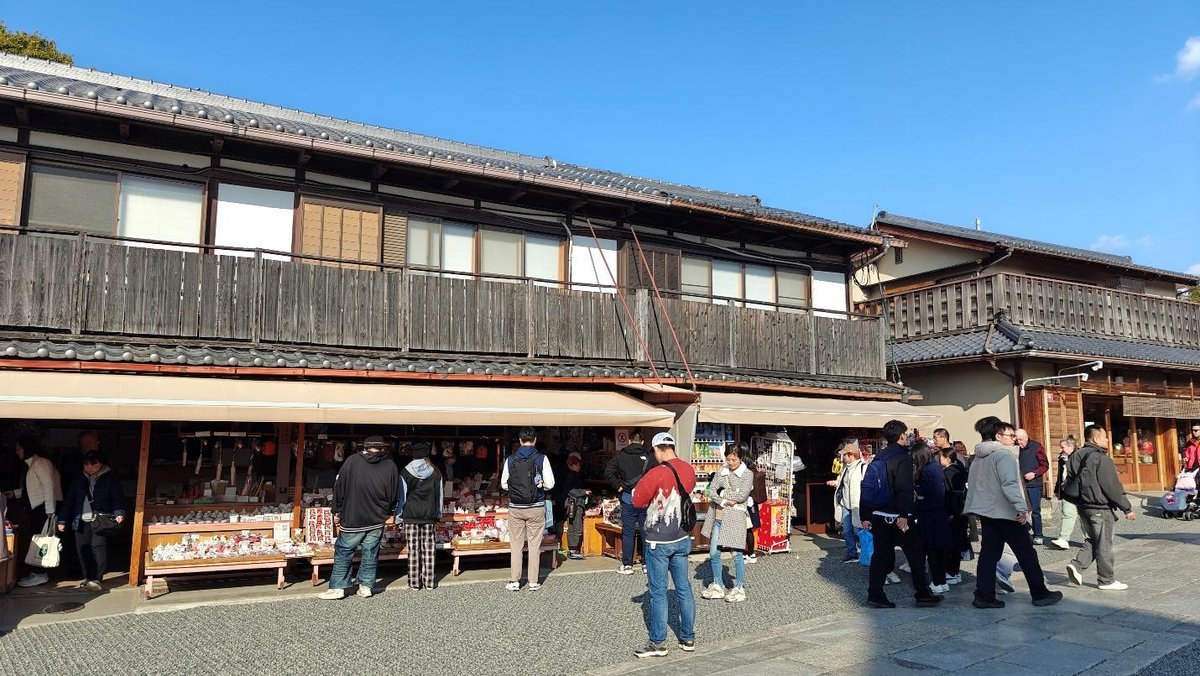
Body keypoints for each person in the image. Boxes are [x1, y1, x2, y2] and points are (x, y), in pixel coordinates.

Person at [964, 418, 1062, 609]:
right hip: (1007, 512)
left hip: (987, 512)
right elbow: (1009, 484)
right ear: (997, 435)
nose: (1013, 440)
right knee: (1026, 552)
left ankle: (984, 595)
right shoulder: (1003, 455)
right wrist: (1021, 508)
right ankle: (1040, 593)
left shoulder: (978, 456)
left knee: (989, 554)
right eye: (1009, 435)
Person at [861, 420, 940, 609]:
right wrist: (905, 513)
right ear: (902, 435)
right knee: (915, 552)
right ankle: (922, 592)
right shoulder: (902, 458)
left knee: (880, 555)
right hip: (898, 516)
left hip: (878, 515)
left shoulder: (879, 458)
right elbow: (904, 487)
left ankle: (875, 594)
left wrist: (865, 514)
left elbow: (867, 487)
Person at [631, 432, 697, 658]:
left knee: (658, 592)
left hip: (658, 539)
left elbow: (637, 500)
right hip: (681, 536)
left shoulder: (656, 473)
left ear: (657, 449)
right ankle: (688, 637)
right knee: (684, 588)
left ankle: (658, 642)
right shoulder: (689, 469)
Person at [319, 436, 399, 600]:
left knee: (344, 551)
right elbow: (394, 494)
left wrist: (337, 511)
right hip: (377, 518)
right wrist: (387, 511)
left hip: (353, 516)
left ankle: (338, 588)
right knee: (370, 553)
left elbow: (339, 487)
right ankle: (366, 587)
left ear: (365, 447)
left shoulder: (353, 461)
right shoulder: (390, 465)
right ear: (383, 448)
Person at [1065, 425, 1136, 591]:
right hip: (1100, 507)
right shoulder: (1101, 459)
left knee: (1093, 539)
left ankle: (1077, 565)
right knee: (1104, 543)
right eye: (1105, 437)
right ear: (1096, 439)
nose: (1107, 440)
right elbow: (1111, 486)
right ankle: (1106, 580)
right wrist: (1127, 508)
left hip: (1082, 506)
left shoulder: (1076, 456)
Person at [56, 450, 125, 591]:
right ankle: (88, 577)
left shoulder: (110, 477)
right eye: (87, 464)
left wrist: (119, 512)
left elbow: (116, 496)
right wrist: (62, 520)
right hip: (80, 518)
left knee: (98, 547)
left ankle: (97, 579)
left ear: (102, 463)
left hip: (100, 517)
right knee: (83, 548)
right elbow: (70, 500)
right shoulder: (78, 478)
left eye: (94, 464)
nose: (90, 467)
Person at [502, 427, 555, 591]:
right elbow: (551, 483)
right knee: (534, 544)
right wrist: (539, 487)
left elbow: (504, 484)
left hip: (516, 508)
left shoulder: (511, 459)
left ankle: (515, 581)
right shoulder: (541, 458)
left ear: (519, 440)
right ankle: (533, 581)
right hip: (536, 507)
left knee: (516, 545)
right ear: (535, 439)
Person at [700, 442, 754, 603]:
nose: (730, 463)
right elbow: (711, 490)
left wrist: (722, 492)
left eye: (733, 460)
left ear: (740, 458)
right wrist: (725, 499)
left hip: (735, 517)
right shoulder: (721, 471)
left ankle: (739, 586)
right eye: (728, 459)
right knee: (714, 553)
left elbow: (742, 495)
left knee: (736, 553)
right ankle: (718, 584)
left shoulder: (747, 474)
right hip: (718, 515)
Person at [604, 431, 655, 575]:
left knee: (628, 532)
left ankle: (627, 564)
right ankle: (646, 563)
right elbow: (656, 475)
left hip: (627, 497)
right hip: (645, 498)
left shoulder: (620, 456)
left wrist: (618, 486)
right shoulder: (649, 457)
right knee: (646, 531)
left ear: (628, 441)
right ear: (643, 442)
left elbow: (608, 471)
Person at [395, 442, 442, 591]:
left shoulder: (405, 472)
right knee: (429, 549)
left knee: (413, 550)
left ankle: (414, 583)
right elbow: (439, 496)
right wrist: (438, 514)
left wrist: (398, 517)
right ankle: (429, 582)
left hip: (410, 515)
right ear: (427, 454)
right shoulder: (436, 472)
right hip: (429, 516)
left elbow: (401, 497)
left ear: (412, 454)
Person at [16, 434, 61, 588]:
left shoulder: (40, 463)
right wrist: (14, 493)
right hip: (39, 508)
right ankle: (36, 573)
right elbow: (31, 488)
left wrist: (50, 512)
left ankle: (40, 574)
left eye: (19, 448)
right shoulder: (33, 464)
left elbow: (49, 487)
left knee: (41, 542)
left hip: (43, 509)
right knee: (37, 540)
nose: (17, 452)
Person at [913, 442, 953, 594]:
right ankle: (941, 581)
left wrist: (917, 491)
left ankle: (937, 582)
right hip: (939, 515)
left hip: (930, 515)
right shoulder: (936, 467)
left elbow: (929, 492)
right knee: (940, 551)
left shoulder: (927, 470)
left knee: (933, 551)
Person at [826, 444, 867, 563]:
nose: (843, 457)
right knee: (847, 530)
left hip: (857, 504)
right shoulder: (846, 468)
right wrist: (836, 482)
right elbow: (843, 482)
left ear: (852, 455)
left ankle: (865, 552)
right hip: (846, 503)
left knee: (858, 530)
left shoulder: (862, 468)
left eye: (845, 455)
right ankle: (852, 553)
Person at [1015, 429, 1050, 544]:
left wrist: (1034, 473)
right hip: (1019, 484)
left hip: (1034, 484)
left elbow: (1045, 465)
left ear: (1026, 437)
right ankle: (1024, 532)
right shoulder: (1015, 449)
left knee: (1035, 511)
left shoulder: (1036, 447)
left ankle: (1038, 535)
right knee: (1019, 511)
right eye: (1016, 439)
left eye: (1020, 439)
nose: (1018, 442)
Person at [939, 447, 968, 584]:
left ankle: (950, 572)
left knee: (949, 544)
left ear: (947, 458)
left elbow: (946, 492)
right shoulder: (961, 470)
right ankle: (955, 572)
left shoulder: (947, 473)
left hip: (951, 510)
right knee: (958, 541)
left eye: (941, 457)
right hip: (962, 510)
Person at [1050, 437, 1079, 550]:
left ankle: (1090, 539)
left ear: (1071, 447)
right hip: (1067, 490)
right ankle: (1063, 538)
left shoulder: (1079, 456)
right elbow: (1060, 475)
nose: (1061, 449)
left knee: (1083, 517)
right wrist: (1057, 489)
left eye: (1063, 447)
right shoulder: (1062, 458)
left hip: (1079, 490)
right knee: (1067, 514)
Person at [561, 452, 589, 560]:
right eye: (577, 464)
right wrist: (583, 492)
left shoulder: (568, 475)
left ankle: (572, 549)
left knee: (572, 526)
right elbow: (571, 491)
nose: (579, 467)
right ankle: (573, 550)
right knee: (576, 526)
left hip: (571, 503)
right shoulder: (572, 476)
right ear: (572, 465)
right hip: (575, 504)